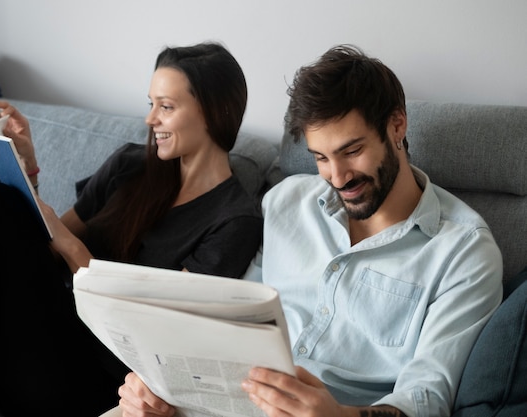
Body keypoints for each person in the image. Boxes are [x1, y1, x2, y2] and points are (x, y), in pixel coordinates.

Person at [117, 45, 503, 417]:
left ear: (397, 125)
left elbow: (427, 398)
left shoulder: (463, 252)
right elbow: (232, 319)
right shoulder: (286, 202)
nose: (337, 177)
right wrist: (159, 382)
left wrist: (341, 415)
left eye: (352, 151)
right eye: (321, 157)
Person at [0, 42, 262, 417]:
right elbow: (46, 243)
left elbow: (161, 343)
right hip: (18, 343)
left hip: (86, 384)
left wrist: (76, 251)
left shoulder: (234, 221)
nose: (150, 119)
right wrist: (28, 165)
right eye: (150, 103)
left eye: (166, 107)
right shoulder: (131, 165)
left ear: (216, 113)